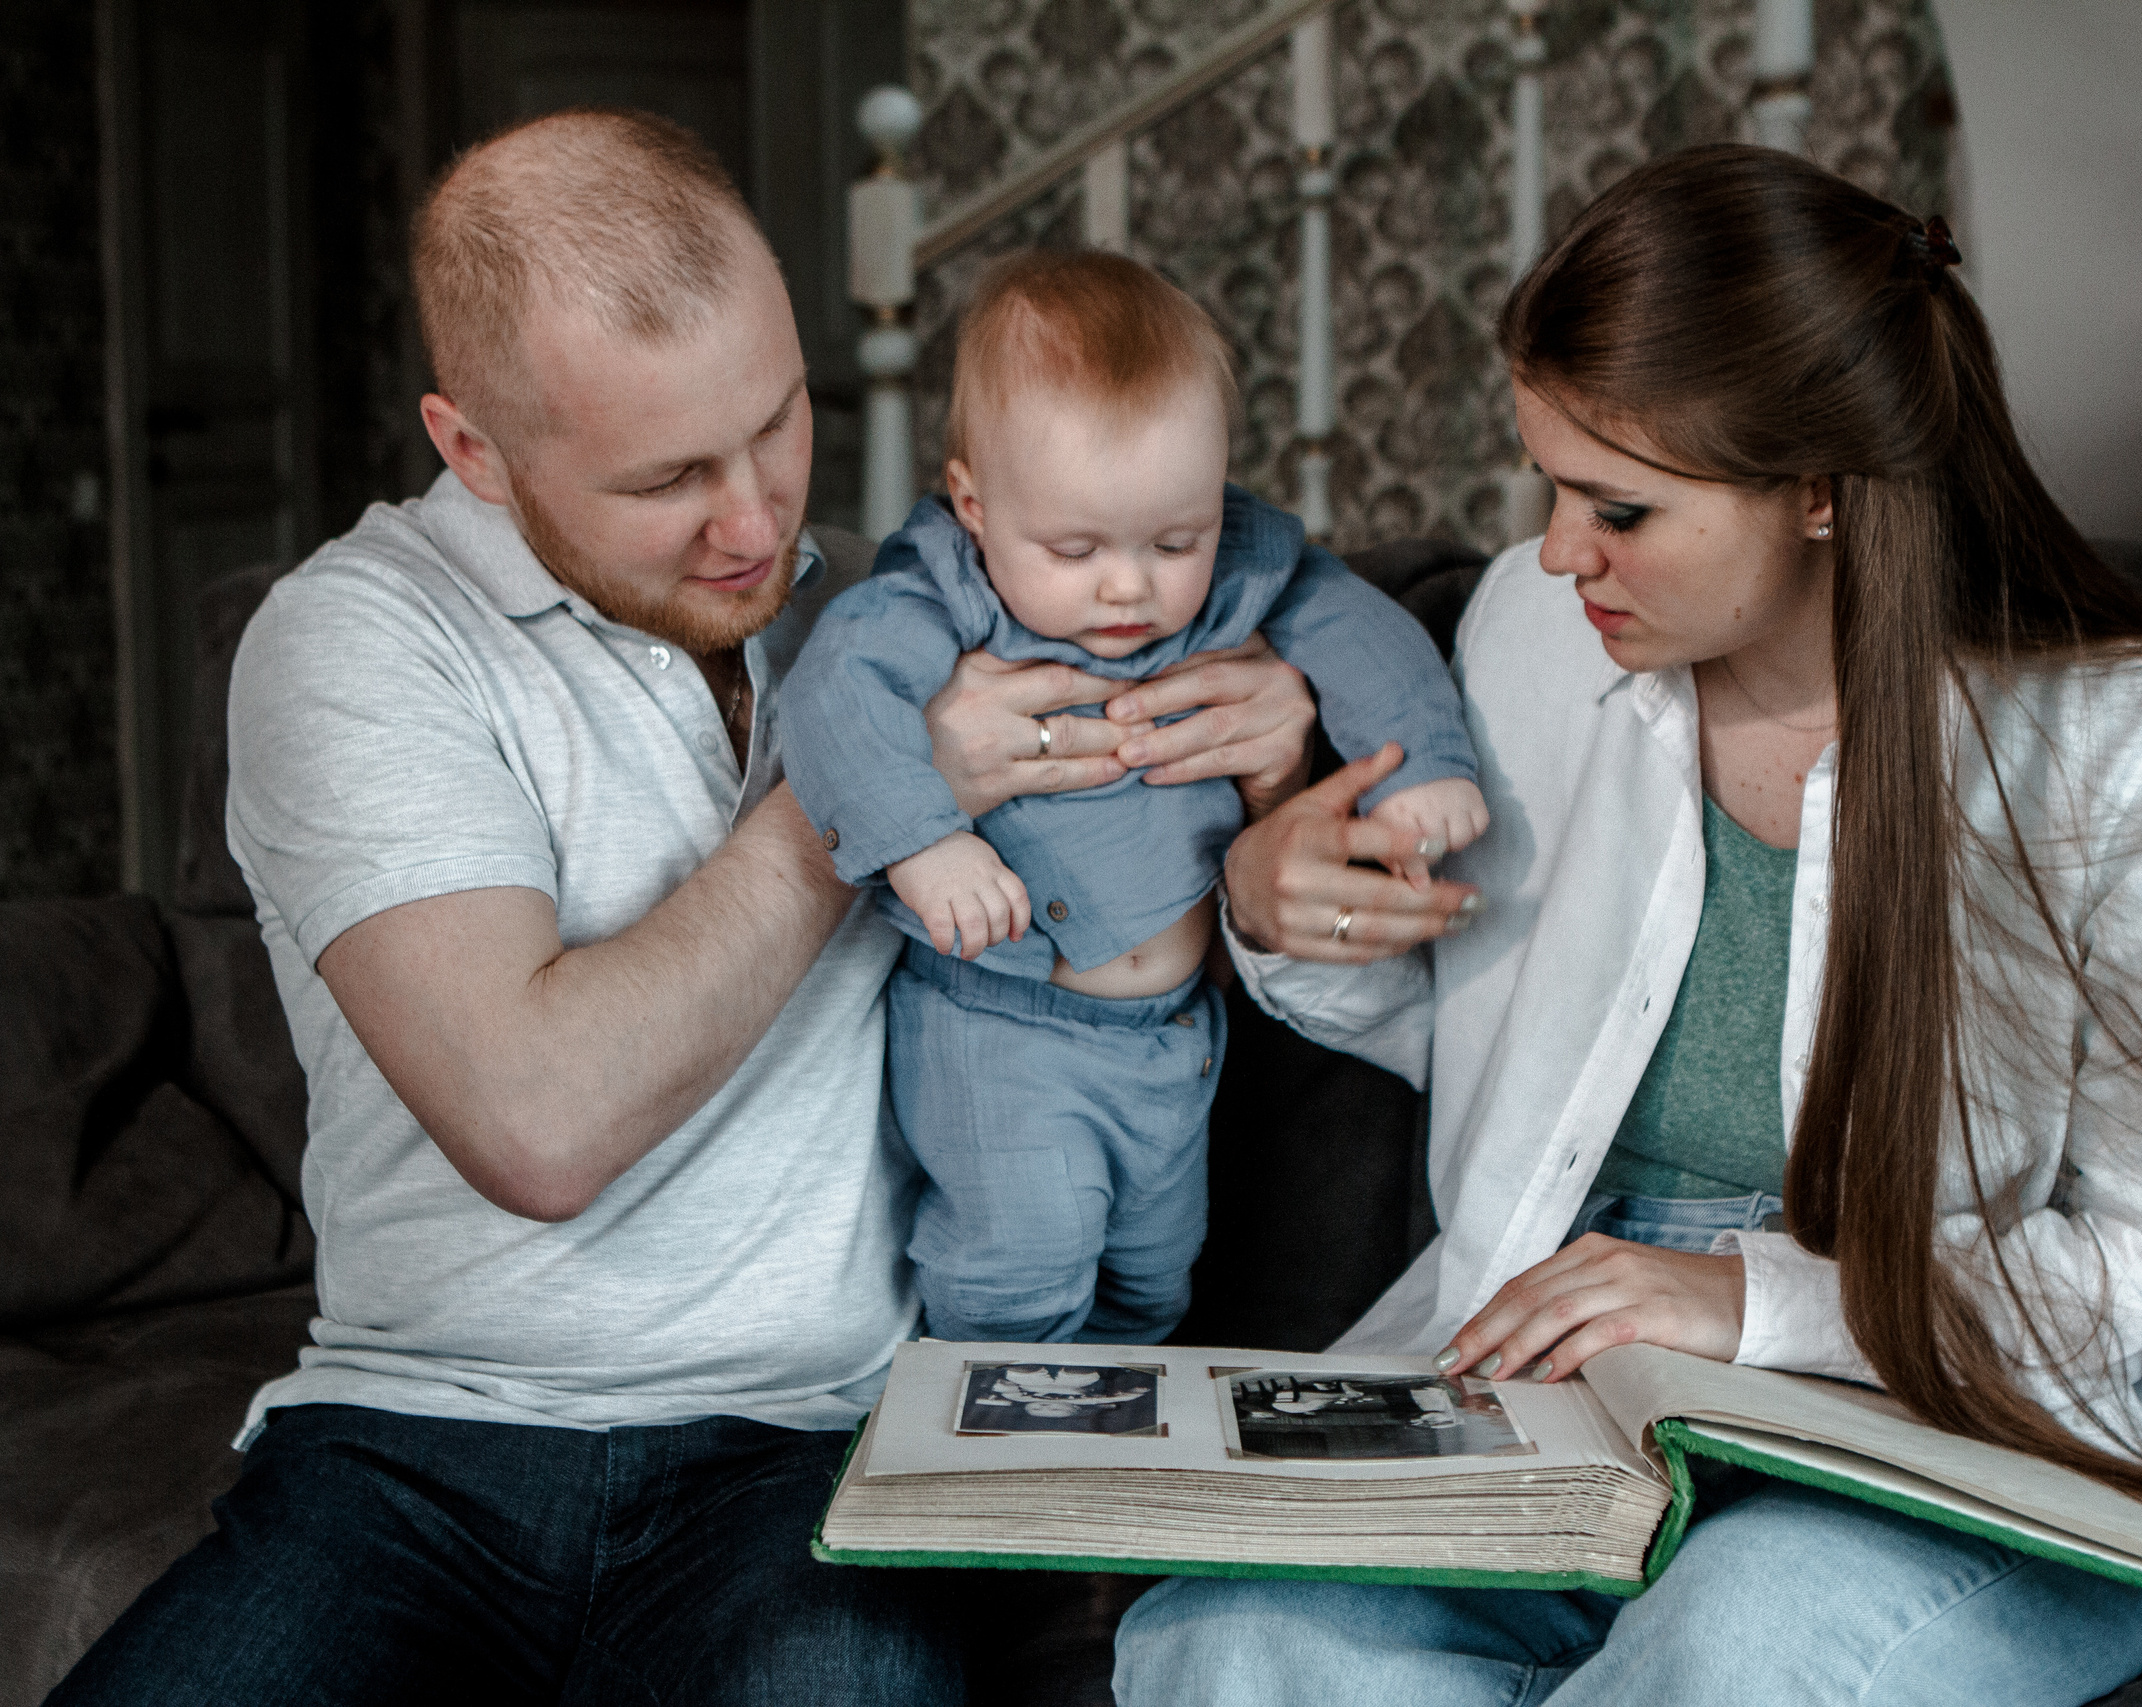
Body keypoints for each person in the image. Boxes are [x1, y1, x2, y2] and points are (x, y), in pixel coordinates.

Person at [46, 107, 1318, 1707]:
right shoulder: (359, 639)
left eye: (778, 422)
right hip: (417, 1446)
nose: (759, 522)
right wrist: (878, 794)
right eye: (666, 477)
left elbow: (1162, 884)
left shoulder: (910, 610)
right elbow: (538, 1123)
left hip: (809, 1451)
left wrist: (1275, 757)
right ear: (473, 449)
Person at [1116, 143, 2142, 1705]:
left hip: (1965, 1429)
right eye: (1551, 486)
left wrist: (1752, 1298)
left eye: (1620, 506)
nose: (1558, 551)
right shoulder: (1533, 634)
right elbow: (1512, 1048)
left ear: (1820, 489)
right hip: (1567, 1369)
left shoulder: (2136, 750)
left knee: (1742, 1650)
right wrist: (1273, 900)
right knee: (1236, 1637)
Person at [776, 250, 1484, 1346]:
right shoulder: (938, 595)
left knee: (1154, 1281)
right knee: (1019, 1270)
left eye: (1175, 541)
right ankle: (986, 1434)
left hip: (1174, 1038)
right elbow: (836, 697)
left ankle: (1099, 1440)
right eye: (1073, 548)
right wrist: (924, 846)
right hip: (1000, 1026)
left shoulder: (1238, 576)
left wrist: (1426, 762)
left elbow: (1359, 632)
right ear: (972, 503)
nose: (1129, 586)